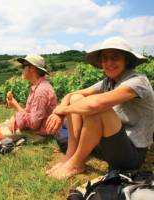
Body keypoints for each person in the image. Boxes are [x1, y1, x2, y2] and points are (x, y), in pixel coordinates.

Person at [45, 37, 154, 179]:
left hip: (131, 154)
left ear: (126, 60)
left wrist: (63, 110)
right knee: (77, 99)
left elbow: (95, 104)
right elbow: (73, 94)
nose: (108, 63)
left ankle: (76, 164)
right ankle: (70, 156)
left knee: (98, 110)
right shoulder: (108, 82)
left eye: (115, 58)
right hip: (110, 145)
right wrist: (61, 110)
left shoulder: (138, 81)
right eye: (105, 58)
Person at [6, 54, 57, 138]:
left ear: (32, 68)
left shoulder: (40, 91)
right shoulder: (38, 86)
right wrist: (15, 116)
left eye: (23, 66)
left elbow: (33, 124)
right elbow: (29, 112)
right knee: (7, 125)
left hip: (39, 132)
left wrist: (16, 106)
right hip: (38, 129)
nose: (21, 69)